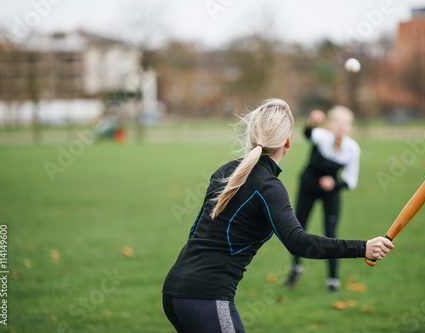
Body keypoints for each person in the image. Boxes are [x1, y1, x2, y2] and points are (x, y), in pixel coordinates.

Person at [162, 99, 393, 333]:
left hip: (173, 291)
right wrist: (362, 247)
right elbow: (298, 242)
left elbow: (195, 231)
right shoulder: (269, 187)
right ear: (288, 142)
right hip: (206, 299)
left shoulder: (226, 170)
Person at [285, 106, 360, 291]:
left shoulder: (352, 149)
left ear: (350, 127)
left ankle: (333, 279)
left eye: (345, 123)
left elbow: (351, 180)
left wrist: (334, 184)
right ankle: (296, 267)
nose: (340, 126)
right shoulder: (321, 137)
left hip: (330, 193)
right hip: (308, 187)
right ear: (330, 124)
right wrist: (312, 121)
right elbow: (308, 133)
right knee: (299, 227)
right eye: (336, 121)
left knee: (331, 231)